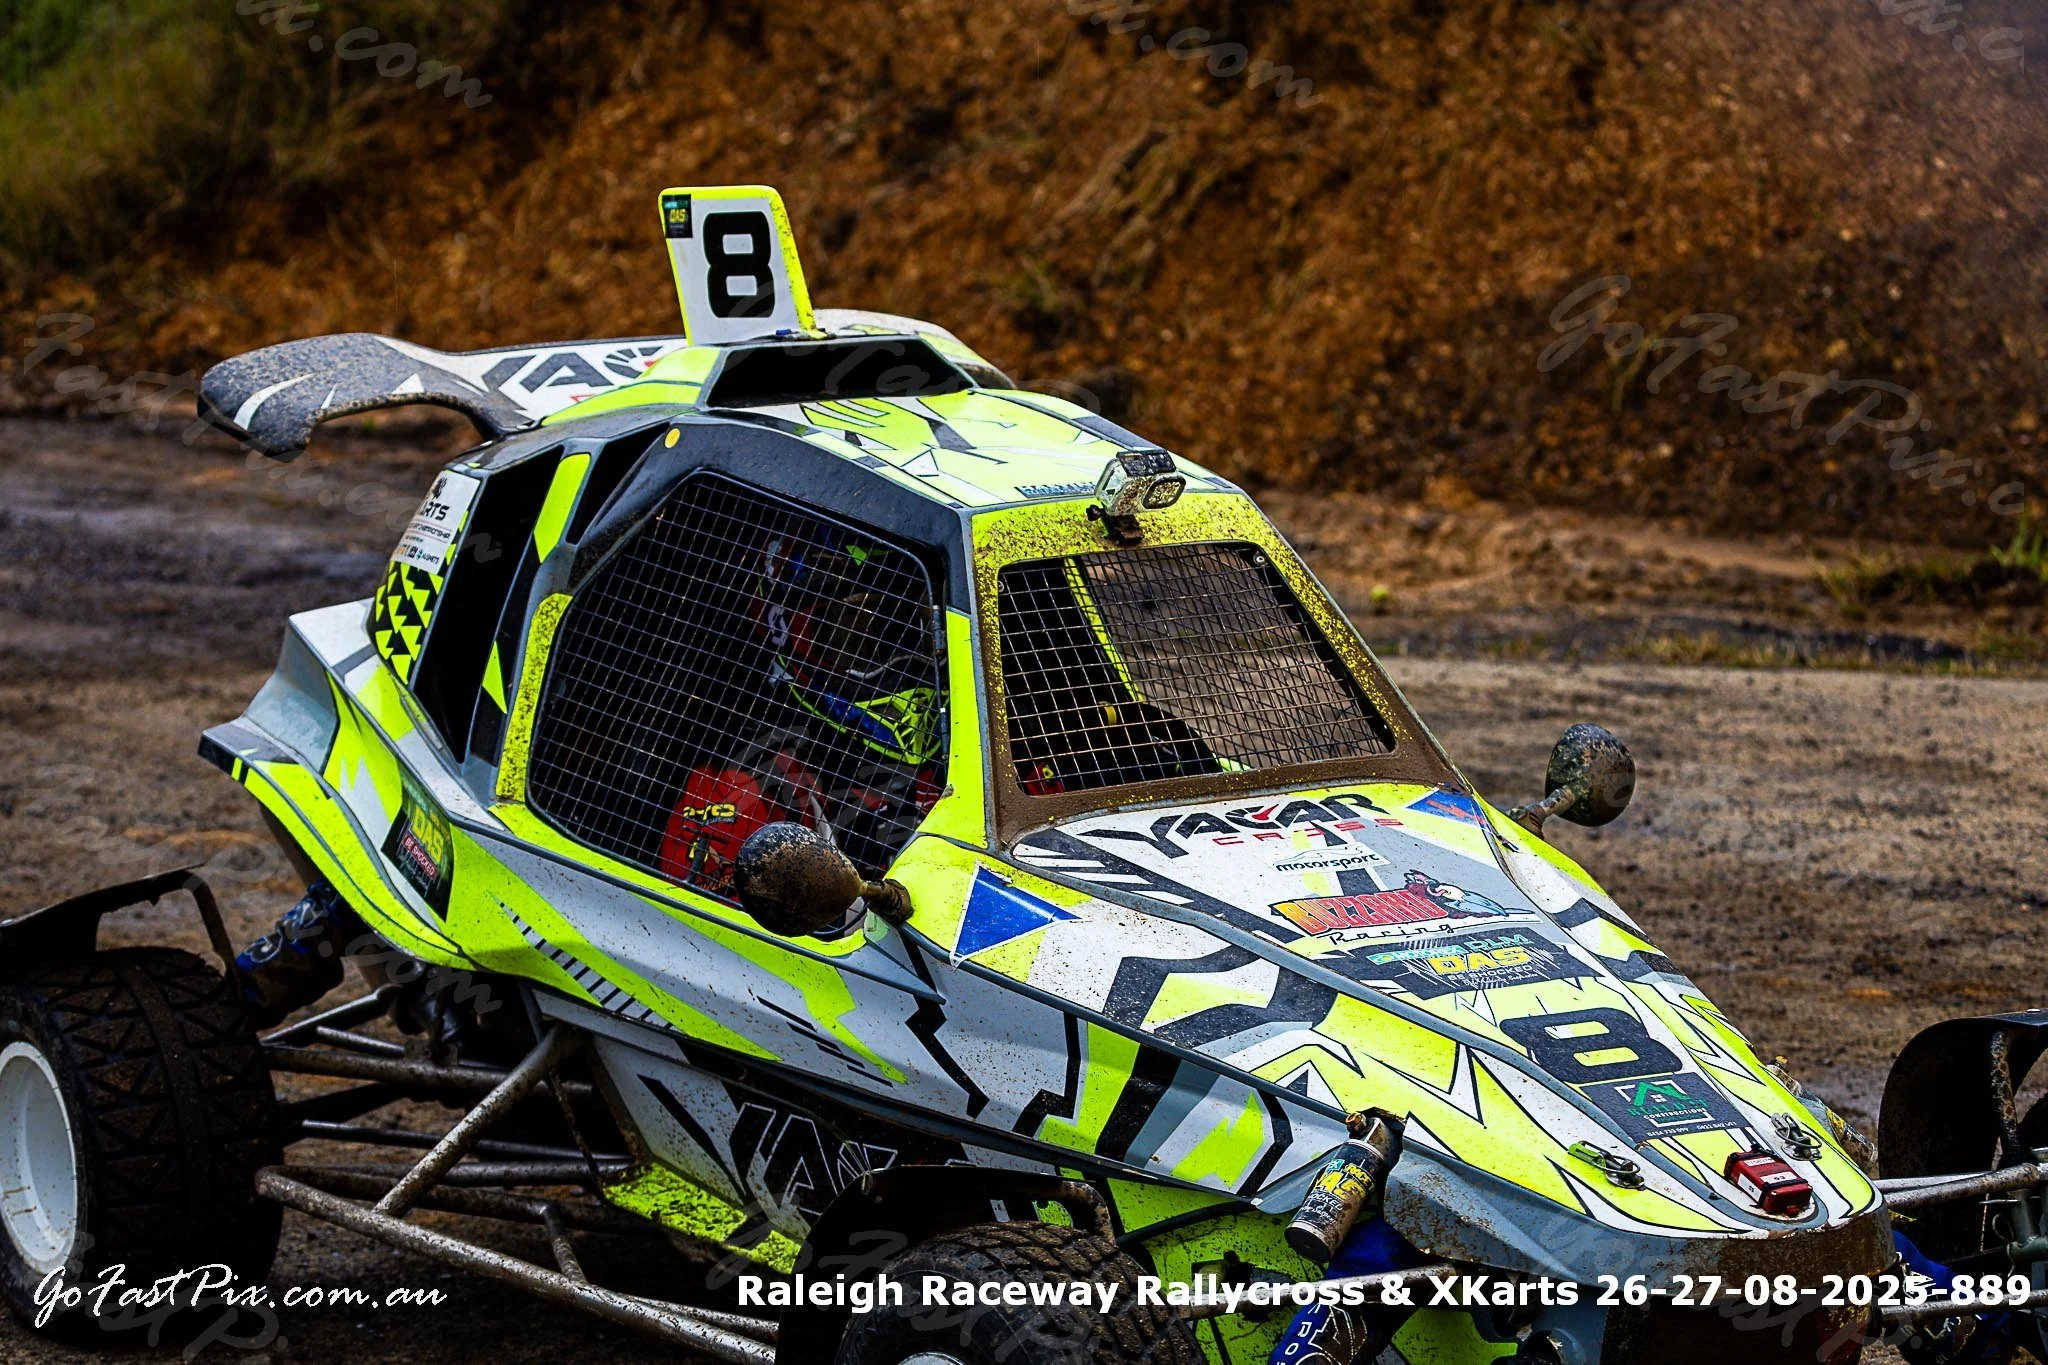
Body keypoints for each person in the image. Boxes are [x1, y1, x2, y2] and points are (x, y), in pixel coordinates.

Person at [656, 528, 942, 917]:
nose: (897, 656)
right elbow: (714, 943)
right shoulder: (745, 783)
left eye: (913, 627)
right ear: (793, 636)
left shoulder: (980, 732)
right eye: (858, 633)